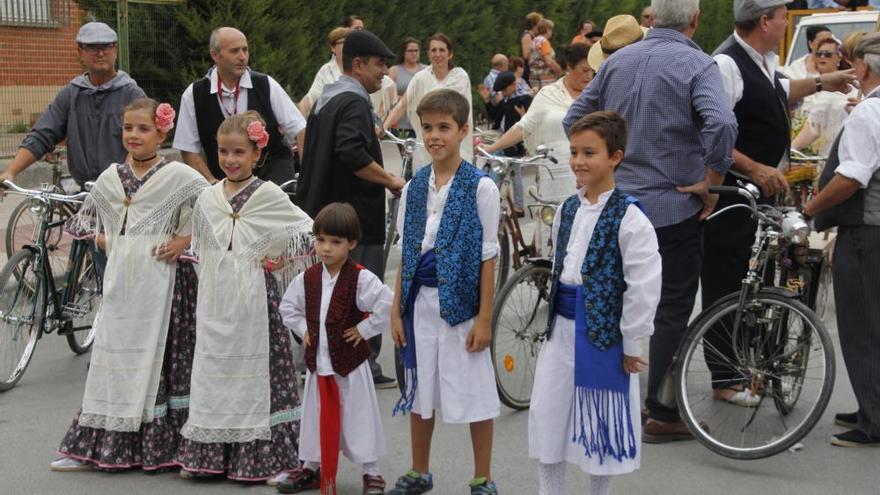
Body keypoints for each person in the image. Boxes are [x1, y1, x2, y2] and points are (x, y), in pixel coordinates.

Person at [563, 0, 739, 443]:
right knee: (671, 307)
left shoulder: (617, 61)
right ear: (694, 21)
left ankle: (604, 391)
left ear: (652, 19)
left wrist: (598, 166)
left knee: (611, 293)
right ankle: (661, 410)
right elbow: (720, 122)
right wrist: (711, 180)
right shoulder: (698, 65)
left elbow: (573, 117)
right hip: (671, 205)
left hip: (616, 203)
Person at [705, 0, 857, 407]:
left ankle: (745, 366)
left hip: (760, 192)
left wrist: (828, 81)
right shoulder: (727, 64)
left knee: (750, 277)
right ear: (763, 22)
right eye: (782, 19)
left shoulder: (760, 59)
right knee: (726, 280)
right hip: (734, 193)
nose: (785, 26)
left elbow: (782, 88)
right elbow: (713, 129)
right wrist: (754, 168)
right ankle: (724, 377)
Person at [51, 98, 208, 472]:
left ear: (162, 132)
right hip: (124, 283)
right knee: (115, 352)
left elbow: (213, 215)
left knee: (167, 359)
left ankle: (166, 445)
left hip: (169, 284)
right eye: (128, 128)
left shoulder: (182, 177)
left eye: (143, 128)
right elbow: (94, 228)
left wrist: (183, 241)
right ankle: (101, 440)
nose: (134, 135)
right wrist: (117, 241)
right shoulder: (110, 178)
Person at [530, 111, 661, 495]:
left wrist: (632, 342)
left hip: (603, 334)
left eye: (589, 152)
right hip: (562, 330)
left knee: (599, 423)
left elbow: (643, 286)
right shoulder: (568, 208)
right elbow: (559, 265)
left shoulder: (631, 218)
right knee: (550, 417)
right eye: (574, 152)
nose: (578, 161)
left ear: (615, 157)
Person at [176, 112, 312, 482]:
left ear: (257, 153)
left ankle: (261, 454)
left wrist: (277, 254)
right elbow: (200, 245)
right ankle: (210, 454)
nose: (230, 160)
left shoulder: (268, 195)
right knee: (215, 368)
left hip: (253, 298)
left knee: (255, 372)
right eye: (223, 151)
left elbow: (305, 230)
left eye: (239, 152)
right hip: (215, 298)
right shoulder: (207, 198)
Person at [388, 90, 501, 495]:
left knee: (474, 389)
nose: (435, 136)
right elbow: (407, 250)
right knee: (421, 388)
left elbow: (489, 256)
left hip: (463, 306)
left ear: (463, 131)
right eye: (428, 128)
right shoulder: (414, 187)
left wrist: (485, 318)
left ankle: (483, 476)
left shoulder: (480, 188)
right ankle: (420, 471)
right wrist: (397, 310)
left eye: (444, 128)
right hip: (420, 303)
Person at [296, 30, 405, 389]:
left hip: (323, 212)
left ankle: (328, 358)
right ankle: (363, 365)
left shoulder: (328, 98)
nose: (385, 72)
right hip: (353, 218)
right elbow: (352, 153)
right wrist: (389, 179)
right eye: (380, 64)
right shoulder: (355, 102)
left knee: (332, 291)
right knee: (359, 289)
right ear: (357, 64)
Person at [278, 202, 393, 495]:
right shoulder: (308, 277)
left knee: (359, 418)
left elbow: (387, 303)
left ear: (351, 243)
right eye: (321, 240)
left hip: (350, 367)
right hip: (320, 365)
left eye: (335, 242)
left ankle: (371, 472)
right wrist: (305, 330)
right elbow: (288, 307)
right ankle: (312, 467)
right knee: (316, 417)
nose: (326, 248)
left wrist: (364, 330)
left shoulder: (360, 278)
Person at [805, 32, 880, 448]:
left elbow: (852, 177)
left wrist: (812, 208)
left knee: (863, 326)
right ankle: (872, 402)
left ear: (863, 67)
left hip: (868, 232)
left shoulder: (868, 114)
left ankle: (874, 419)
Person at [1, 22, 145, 187]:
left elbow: (143, 143)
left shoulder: (132, 95)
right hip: (83, 191)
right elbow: (42, 135)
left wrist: (124, 179)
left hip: (122, 190)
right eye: (92, 47)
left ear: (115, 50)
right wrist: (10, 172)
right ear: (80, 52)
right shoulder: (71, 94)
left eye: (106, 46)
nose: (100, 53)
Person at [174, 27, 306, 185]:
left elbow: (300, 129)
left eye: (245, 50)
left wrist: (307, 177)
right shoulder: (194, 94)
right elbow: (188, 149)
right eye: (235, 51)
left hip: (273, 174)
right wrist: (210, 182)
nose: (243, 57)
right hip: (224, 181)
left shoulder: (265, 84)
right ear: (215, 55)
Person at [484, 43, 595, 206]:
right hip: (553, 174)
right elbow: (523, 127)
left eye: (592, 71)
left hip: (591, 174)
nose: (589, 76)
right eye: (585, 70)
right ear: (569, 67)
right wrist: (492, 148)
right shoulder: (548, 94)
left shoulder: (597, 94)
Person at [384, 33, 475, 167]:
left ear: (450, 54)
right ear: (428, 54)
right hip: (426, 145)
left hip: (454, 143)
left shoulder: (460, 77)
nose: (437, 54)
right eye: (433, 50)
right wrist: (384, 127)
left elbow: (459, 110)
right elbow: (403, 104)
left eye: (442, 50)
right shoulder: (420, 78)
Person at [300, 27, 398, 121]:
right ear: (333, 48)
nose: (386, 71)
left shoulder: (367, 71)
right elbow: (311, 98)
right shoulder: (326, 71)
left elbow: (389, 86)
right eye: (343, 42)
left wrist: (379, 119)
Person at [793, 37, 856, 156]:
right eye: (819, 54)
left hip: (837, 153)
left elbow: (813, 128)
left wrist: (791, 150)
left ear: (839, 57)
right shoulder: (803, 79)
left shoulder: (852, 87)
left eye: (827, 54)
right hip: (811, 154)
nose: (822, 57)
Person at [389, 37, 427, 135]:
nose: (414, 53)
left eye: (416, 50)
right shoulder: (394, 71)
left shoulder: (427, 71)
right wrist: (404, 99)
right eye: (410, 51)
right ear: (403, 53)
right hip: (400, 124)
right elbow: (387, 96)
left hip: (422, 123)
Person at [529, 19, 563, 89]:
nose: (551, 32)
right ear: (547, 30)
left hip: (533, 76)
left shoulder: (534, 40)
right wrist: (560, 70)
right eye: (551, 30)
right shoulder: (545, 42)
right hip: (545, 78)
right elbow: (548, 61)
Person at [520, 12, 544, 86]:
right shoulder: (527, 36)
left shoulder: (534, 36)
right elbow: (526, 55)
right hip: (527, 70)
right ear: (535, 24)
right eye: (540, 22)